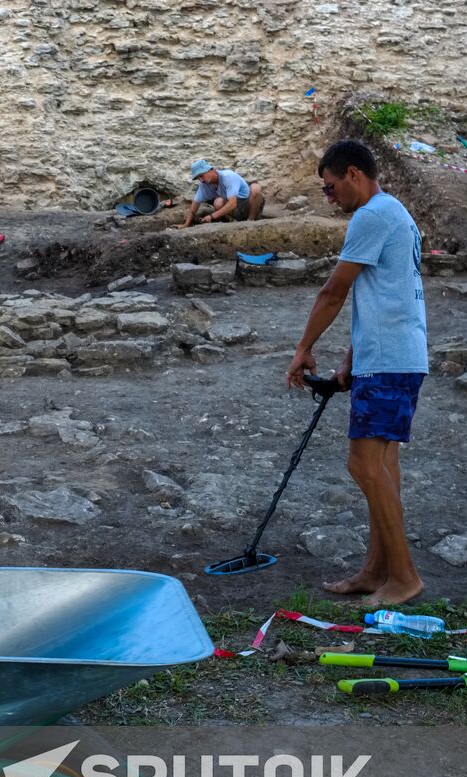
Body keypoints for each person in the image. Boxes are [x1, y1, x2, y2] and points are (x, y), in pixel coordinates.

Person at [285, 139, 428, 607]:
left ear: (352, 174)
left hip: (389, 361)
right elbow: (386, 295)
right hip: (393, 356)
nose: (329, 198)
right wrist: (352, 357)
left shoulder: (371, 216)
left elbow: (333, 291)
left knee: (363, 465)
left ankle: (405, 577)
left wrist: (304, 348)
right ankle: (376, 570)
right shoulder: (396, 213)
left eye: (330, 188)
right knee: (383, 468)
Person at [176, 158, 265, 228]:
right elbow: (195, 203)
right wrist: (186, 224)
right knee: (218, 202)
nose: (201, 180)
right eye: (198, 178)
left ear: (210, 170)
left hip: (249, 206)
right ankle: (233, 223)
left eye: (201, 176)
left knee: (255, 188)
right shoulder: (204, 185)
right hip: (236, 212)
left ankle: (250, 222)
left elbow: (232, 203)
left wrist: (212, 216)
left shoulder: (227, 176)